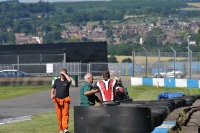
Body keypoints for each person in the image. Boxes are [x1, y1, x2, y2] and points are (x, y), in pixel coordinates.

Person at [51, 69, 72, 133]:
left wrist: (65, 74)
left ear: (66, 74)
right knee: (59, 115)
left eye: (63, 74)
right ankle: (61, 129)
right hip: (58, 100)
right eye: (61, 74)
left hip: (65, 100)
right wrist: (52, 94)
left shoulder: (67, 81)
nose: (62, 75)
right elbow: (53, 88)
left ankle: (65, 128)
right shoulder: (57, 81)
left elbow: (70, 80)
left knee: (65, 114)